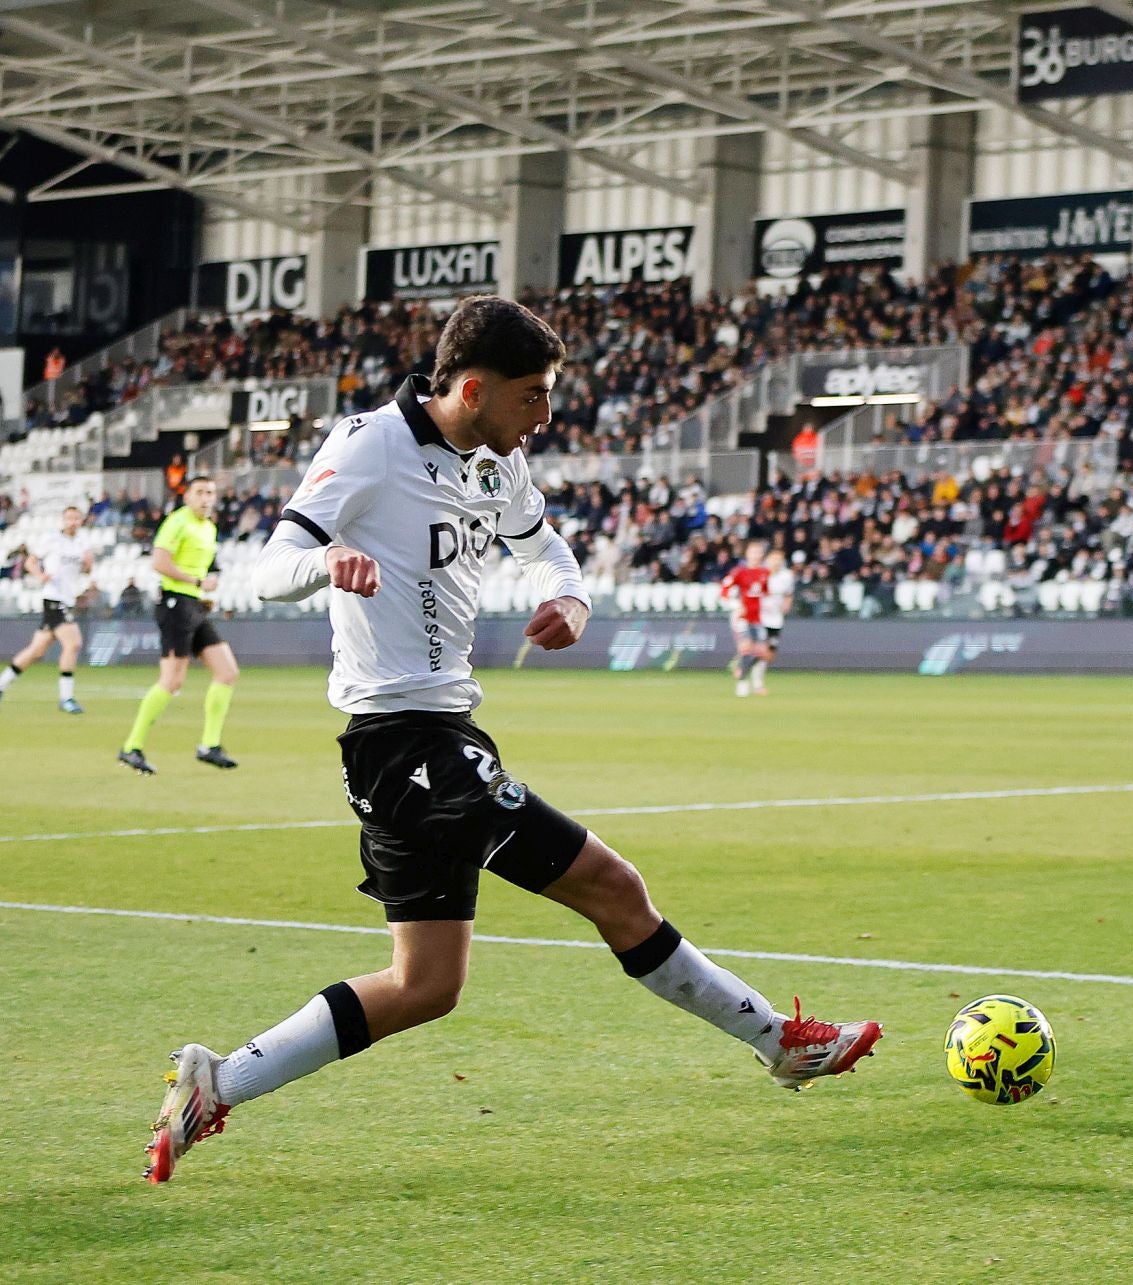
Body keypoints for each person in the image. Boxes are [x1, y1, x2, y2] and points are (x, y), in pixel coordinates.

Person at [144, 296, 879, 1184]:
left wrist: (570, 600)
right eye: (532, 396)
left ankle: (218, 1082)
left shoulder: (499, 462)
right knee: (613, 884)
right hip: (403, 740)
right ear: (471, 386)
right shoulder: (369, 443)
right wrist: (322, 563)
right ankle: (779, 1040)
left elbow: (551, 552)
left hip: (435, 734)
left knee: (425, 986)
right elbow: (266, 569)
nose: (545, 415)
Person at [117, 476, 240, 774]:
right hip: (175, 605)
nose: (206, 498)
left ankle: (209, 745)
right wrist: (197, 583)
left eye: (211, 493)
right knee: (172, 680)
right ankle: (131, 747)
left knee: (227, 672)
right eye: (200, 492)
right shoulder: (177, 521)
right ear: (187, 496)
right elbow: (159, 563)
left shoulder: (209, 528)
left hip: (194, 605)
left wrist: (201, 594)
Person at [0, 504, 93, 714]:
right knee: (74, 643)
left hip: (67, 599)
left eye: (77, 518)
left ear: (81, 521)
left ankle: (1, 684)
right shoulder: (52, 540)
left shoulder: (82, 543)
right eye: (69, 518)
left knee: (37, 650)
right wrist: (40, 576)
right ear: (63, 520)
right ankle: (66, 698)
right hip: (53, 598)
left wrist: (88, 565)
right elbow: (30, 562)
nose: (73, 522)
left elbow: (86, 570)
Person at [719, 539, 772, 698]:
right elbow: (724, 591)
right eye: (753, 552)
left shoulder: (765, 573)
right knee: (747, 648)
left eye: (759, 552)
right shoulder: (739, 572)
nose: (756, 555)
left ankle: (746, 674)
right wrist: (736, 605)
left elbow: (765, 593)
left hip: (757, 619)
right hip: (741, 618)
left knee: (762, 653)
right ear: (747, 553)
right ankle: (742, 683)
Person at [759, 548, 796, 694]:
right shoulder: (760, 573)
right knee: (761, 648)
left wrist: (787, 604)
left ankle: (747, 665)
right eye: (773, 558)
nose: (776, 562)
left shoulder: (787, 576)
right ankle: (756, 680)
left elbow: (789, 594)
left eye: (779, 559)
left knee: (770, 653)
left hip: (776, 619)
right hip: (760, 617)